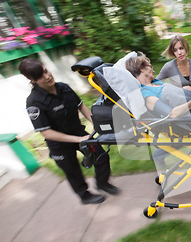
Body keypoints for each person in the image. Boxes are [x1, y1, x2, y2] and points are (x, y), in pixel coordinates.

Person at [20, 58, 120, 204]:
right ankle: (84, 196)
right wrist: (78, 140)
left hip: (79, 132)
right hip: (59, 144)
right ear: (32, 80)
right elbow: (46, 132)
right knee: (73, 171)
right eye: (41, 76)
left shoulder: (64, 87)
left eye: (46, 71)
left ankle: (102, 183)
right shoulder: (34, 102)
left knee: (101, 156)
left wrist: (95, 123)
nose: (47, 76)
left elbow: (81, 106)